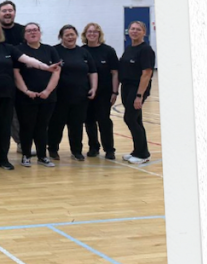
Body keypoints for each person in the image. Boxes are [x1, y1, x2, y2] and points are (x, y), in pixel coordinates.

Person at [0, 19, 60, 171]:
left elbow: (28, 59)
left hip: (7, 95)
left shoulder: (8, 48)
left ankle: (3, 159)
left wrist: (46, 68)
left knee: (4, 128)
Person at [12, 23, 61, 167]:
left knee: (42, 126)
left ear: (40, 32)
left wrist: (47, 91)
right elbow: (16, 73)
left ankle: (42, 156)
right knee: (27, 126)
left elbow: (56, 71)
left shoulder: (50, 50)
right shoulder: (19, 50)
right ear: (24, 34)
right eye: (29, 31)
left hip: (48, 97)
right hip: (26, 97)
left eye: (35, 30)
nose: (32, 33)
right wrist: (26, 91)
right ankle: (26, 155)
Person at [48, 25, 98, 162]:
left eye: (72, 34)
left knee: (76, 125)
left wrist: (93, 88)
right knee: (57, 125)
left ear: (76, 35)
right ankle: (52, 149)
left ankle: (76, 151)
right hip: (59, 97)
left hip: (80, 96)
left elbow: (92, 72)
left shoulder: (83, 52)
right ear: (61, 37)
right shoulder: (54, 51)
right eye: (67, 35)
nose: (70, 37)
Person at [119, 21, 156, 164]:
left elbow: (146, 73)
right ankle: (137, 151)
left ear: (144, 32)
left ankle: (142, 154)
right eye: (132, 29)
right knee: (136, 120)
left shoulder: (146, 50)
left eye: (138, 29)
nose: (134, 31)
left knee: (130, 119)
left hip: (137, 88)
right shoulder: (129, 48)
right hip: (127, 87)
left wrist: (139, 95)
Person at [82, 22, 120, 160]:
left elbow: (115, 73)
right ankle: (93, 147)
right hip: (87, 93)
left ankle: (109, 149)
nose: (92, 34)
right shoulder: (82, 51)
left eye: (95, 32)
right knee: (89, 121)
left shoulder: (108, 51)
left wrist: (115, 92)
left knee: (104, 121)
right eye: (89, 32)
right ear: (85, 34)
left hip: (104, 93)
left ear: (99, 34)